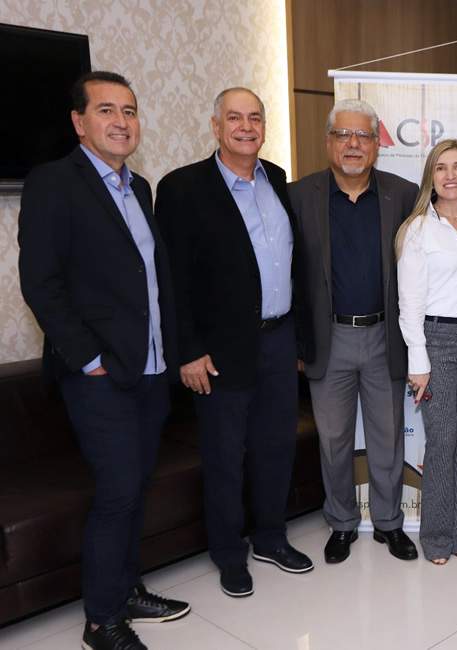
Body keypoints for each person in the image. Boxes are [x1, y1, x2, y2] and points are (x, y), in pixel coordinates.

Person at [18, 71, 190, 650]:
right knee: (118, 489)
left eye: (130, 111)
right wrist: (87, 358)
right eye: (107, 110)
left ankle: (127, 588)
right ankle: (101, 620)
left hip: (148, 371)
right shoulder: (54, 184)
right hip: (99, 375)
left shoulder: (138, 188)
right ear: (79, 121)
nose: (122, 122)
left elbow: (150, 280)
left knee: (137, 486)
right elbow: (41, 284)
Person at [156, 87, 313, 599]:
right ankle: (228, 554)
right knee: (225, 457)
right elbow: (172, 279)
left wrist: (297, 339)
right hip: (218, 352)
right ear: (215, 126)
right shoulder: (183, 188)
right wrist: (186, 350)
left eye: (255, 118)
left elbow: (293, 266)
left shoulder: (278, 179)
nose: (246, 126)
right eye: (235, 118)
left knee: (275, 448)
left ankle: (270, 537)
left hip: (278, 339)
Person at [288, 99, 419, 564]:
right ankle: (341, 523)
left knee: (387, 438)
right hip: (329, 340)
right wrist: (298, 343)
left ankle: (389, 524)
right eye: (342, 135)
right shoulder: (299, 196)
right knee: (334, 440)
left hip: (386, 337)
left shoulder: (404, 195)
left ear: (377, 144)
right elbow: (290, 276)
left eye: (362, 136)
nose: (352, 144)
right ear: (328, 142)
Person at [396, 139, 457, 564]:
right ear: (430, 177)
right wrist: (418, 362)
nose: (450, 175)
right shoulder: (418, 230)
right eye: (441, 168)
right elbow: (409, 305)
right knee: (441, 441)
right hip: (437, 342)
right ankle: (436, 537)